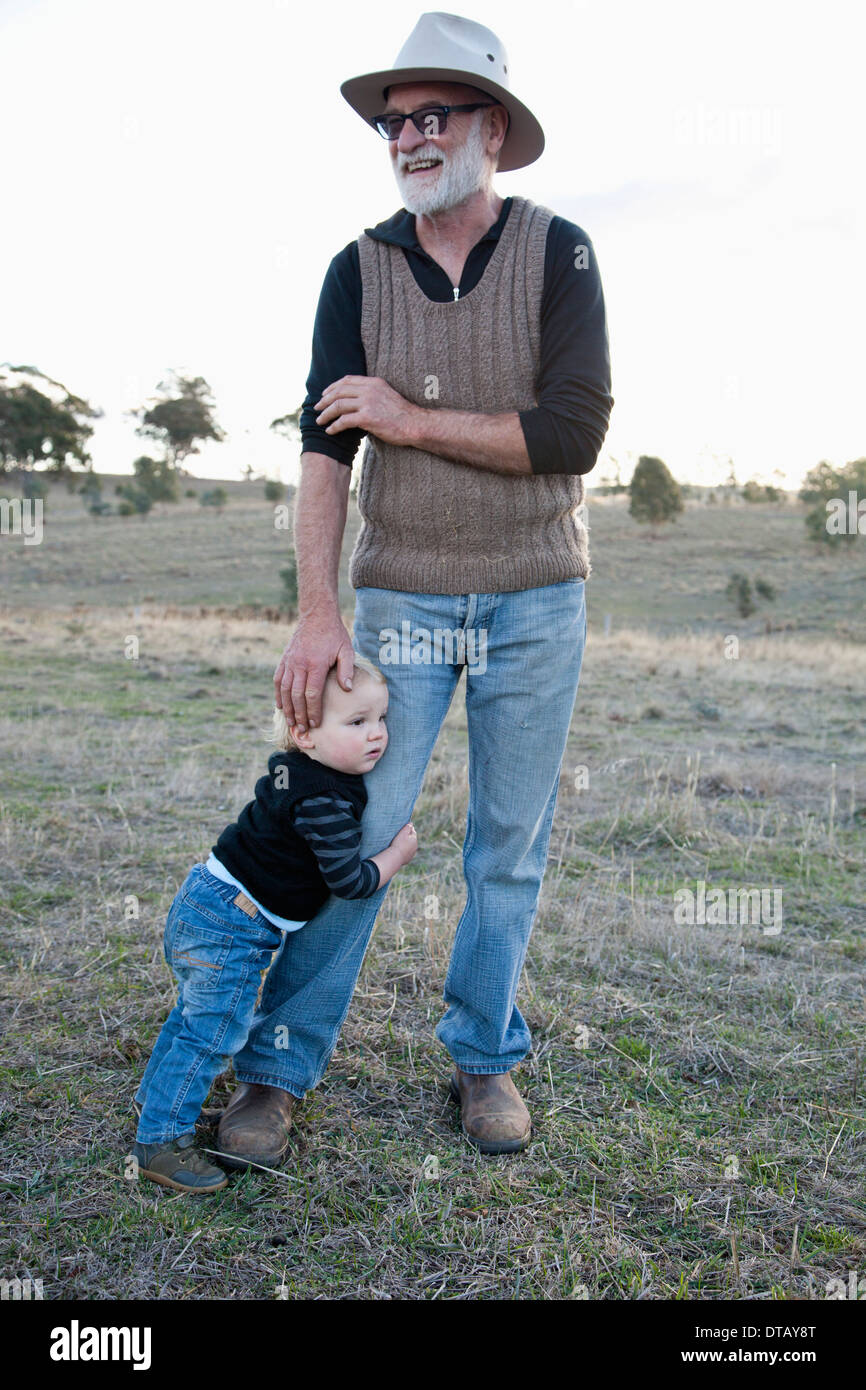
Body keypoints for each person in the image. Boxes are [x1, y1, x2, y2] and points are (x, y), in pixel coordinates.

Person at [217, 11, 614, 1166]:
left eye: (434, 114)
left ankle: (483, 1058)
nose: (410, 136)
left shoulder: (561, 253)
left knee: (506, 842)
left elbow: (570, 433)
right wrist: (317, 609)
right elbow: (324, 450)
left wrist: (405, 415)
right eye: (396, 122)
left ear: (491, 127)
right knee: (358, 821)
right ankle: (275, 1069)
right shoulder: (357, 269)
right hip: (400, 600)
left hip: (537, 595)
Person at [131, 656, 417, 1192]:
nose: (377, 735)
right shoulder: (323, 799)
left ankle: (158, 1097)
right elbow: (348, 880)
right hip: (233, 927)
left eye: (381, 719)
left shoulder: (298, 772)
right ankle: (160, 1142)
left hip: (205, 901)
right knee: (215, 1031)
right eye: (356, 723)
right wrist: (396, 856)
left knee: (193, 1019)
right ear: (304, 734)